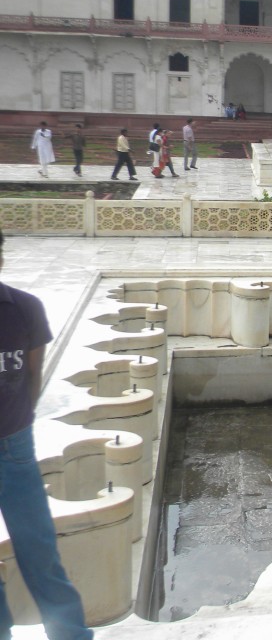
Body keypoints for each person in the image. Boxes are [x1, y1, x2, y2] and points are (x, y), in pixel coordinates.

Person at [0, 228, 95, 640]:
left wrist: (19, 419)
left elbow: (34, 375)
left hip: (14, 449)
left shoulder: (24, 309)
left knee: (40, 552)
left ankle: (70, 635)